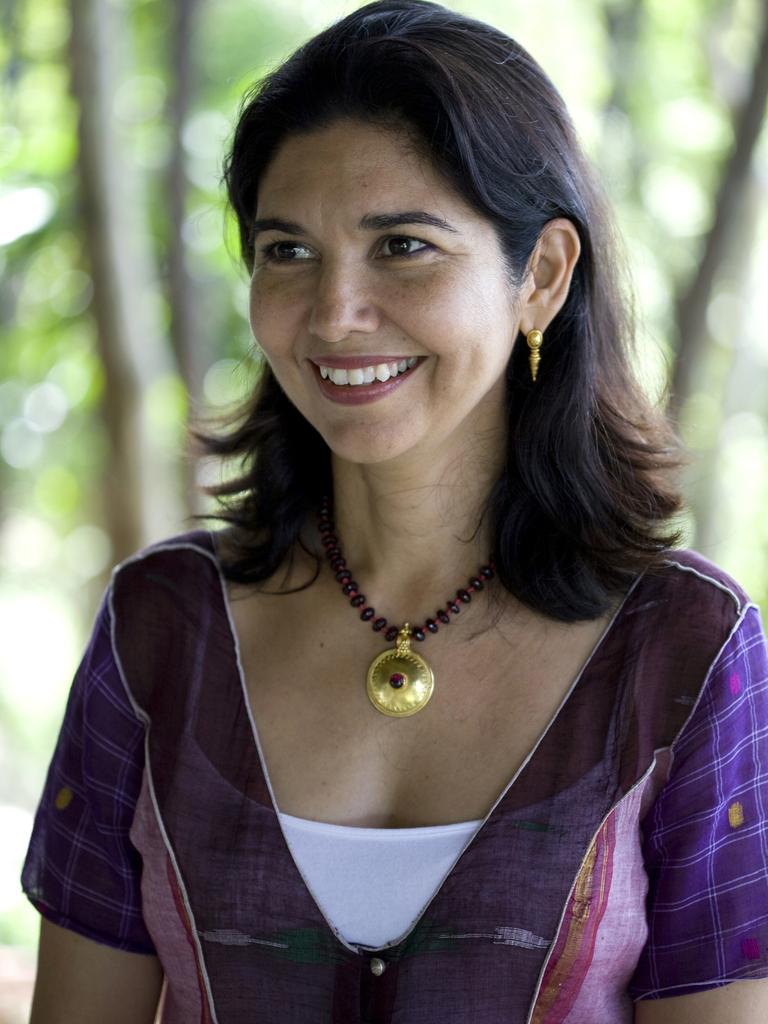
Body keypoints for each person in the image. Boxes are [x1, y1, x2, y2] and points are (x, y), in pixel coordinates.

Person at [21, 1, 768, 1021]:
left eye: (403, 246)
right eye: (287, 252)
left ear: (541, 275)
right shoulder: (161, 628)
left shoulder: (685, 651)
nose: (334, 313)